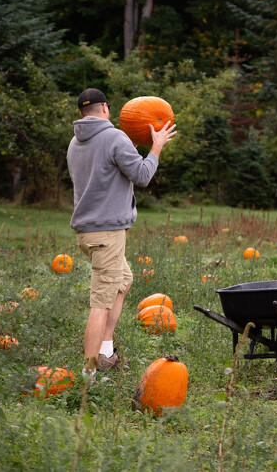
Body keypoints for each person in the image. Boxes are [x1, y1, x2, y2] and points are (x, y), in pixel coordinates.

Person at [67, 88, 177, 382]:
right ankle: (90, 372)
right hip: (106, 233)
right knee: (100, 303)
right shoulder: (115, 138)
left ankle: (105, 351)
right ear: (105, 108)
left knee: (123, 281)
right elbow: (142, 176)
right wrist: (157, 146)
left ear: (82, 113)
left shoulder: (75, 144)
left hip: (88, 233)